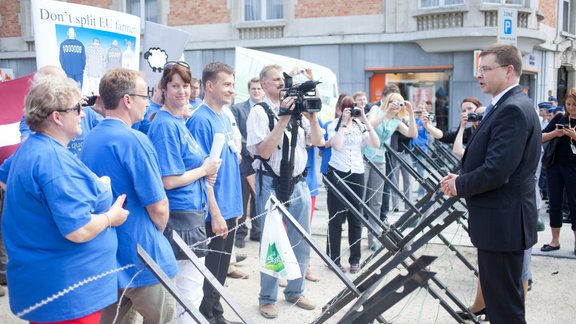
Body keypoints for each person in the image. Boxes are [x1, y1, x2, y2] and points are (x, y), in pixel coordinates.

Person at [0, 74, 128, 322]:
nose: (83, 113)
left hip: (52, 286)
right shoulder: (52, 160)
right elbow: (78, 230)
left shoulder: (33, 148)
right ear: (57, 117)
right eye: (77, 108)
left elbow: (5, 177)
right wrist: (111, 217)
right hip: (67, 293)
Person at [440, 43, 540, 324]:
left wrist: (459, 185)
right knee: (499, 305)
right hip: (500, 222)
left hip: (503, 223)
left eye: (485, 68)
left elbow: (498, 170)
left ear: (509, 71)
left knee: (505, 309)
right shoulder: (507, 105)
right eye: (479, 68)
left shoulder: (513, 109)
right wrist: (460, 179)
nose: (479, 74)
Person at [81, 68, 179, 323]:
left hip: (107, 256)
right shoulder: (135, 140)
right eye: (144, 95)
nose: (148, 101)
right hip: (142, 256)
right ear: (127, 100)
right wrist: (154, 233)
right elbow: (158, 207)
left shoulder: (90, 139)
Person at [246, 64, 324, 319]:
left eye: (284, 79)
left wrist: (311, 116)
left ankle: (295, 290)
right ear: (265, 84)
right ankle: (267, 298)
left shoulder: (297, 110)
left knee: (301, 238)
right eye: (277, 79)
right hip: (270, 181)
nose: (282, 83)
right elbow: (264, 152)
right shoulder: (259, 112)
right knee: (272, 241)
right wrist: (282, 118)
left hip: (299, 181)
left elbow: (317, 141)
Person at [147, 61, 222, 322]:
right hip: (180, 217)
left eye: (186, 86)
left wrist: (205, 169)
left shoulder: (178, 121)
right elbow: (169, 180)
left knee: (189, 292)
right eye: (175, 86)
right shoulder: (166, 125)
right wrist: (205, 169)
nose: (181, 91)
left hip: (191, 214)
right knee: (186, 294)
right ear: (163, 89)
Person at [186, 62, 243, 324]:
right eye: (227, 84)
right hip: (214, 211)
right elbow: (202, 174)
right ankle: (207, 317)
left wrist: (236, 210)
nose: (232, 89)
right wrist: (217, 213)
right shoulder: (200, 119)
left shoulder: (223, 116)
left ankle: (216, 314)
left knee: (220, 272)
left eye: (233, 84)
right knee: (210, 272)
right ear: (210, 86)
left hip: (229, 207)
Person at [325, 95, 379, 273]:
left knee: (356, 217)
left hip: (356, 172)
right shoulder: (333, 125)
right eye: (345, 107)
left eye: (352, 107)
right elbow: (337, 145)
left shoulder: (360, 125)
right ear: (339, 109)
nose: (348, 111)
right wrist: (343, 123)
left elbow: (375, 143)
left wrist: (364, 118)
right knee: (336, 217)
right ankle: (333, 258)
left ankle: (355, 259)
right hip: (337, 172)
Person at [363, 91, 417, 251]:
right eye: (393, 101)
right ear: (387, 101)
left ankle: (373, 239)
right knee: (361, 198)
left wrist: (411, 112)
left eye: (399, 103)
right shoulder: (376, 110)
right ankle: (355, 232)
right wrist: (386, 111)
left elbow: (412, 134)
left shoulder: (396, 122)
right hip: (364, 158)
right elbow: (371, 125)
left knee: (376, 202)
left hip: (380, 160)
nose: (396, 105)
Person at [539, 87, 576, 253]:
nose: (571, 108)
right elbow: (540, 137)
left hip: (573, 168)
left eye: (574, 105)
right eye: (568, 104)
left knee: (574, 204)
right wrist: (556, 133)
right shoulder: (560, 117)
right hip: (555, 166)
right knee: (554, 203)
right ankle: (554, 241)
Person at [232, 77, 264, 248]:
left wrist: (261, 152)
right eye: (253, 89)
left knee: (259, 198)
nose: (256, 91)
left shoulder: (268, 109)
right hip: (245, 161)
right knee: (243, 200)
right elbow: (237, 134)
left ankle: (257, 231)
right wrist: (252, 150)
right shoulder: (238, 109)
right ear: (249, 90)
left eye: (259, 88)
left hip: (262, 162)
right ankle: (240, 233)